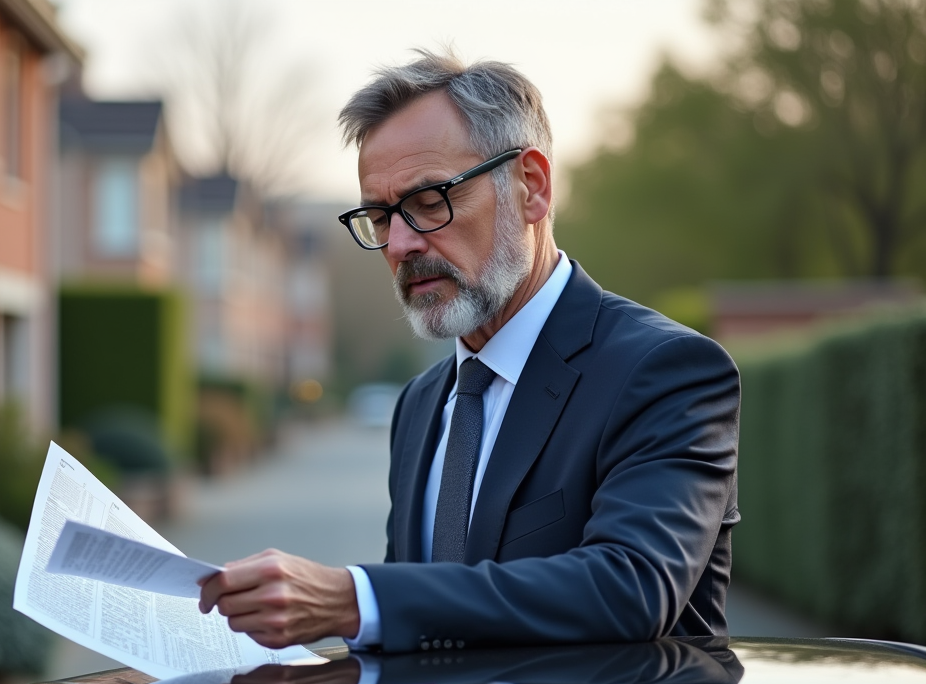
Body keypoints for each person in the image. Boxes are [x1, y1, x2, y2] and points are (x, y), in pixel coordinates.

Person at [198, 49, 740, 653]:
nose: (400, 244)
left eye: (430, 201)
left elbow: (631, 588)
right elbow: (411, 628)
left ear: (531, 188)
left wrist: (355, 600)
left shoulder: (665, 372)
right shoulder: (422, 404)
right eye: (380, 217)